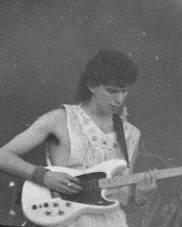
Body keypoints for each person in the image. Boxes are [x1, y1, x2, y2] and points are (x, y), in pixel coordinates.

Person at [0, 49, 156, 226]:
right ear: (91, 86)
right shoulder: (59, 119)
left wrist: (141, 193)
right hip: (65, 220)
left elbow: (123, 197)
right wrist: (43, 176)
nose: (120, 99)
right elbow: (3, 155)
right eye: (112, 91)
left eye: (124, 91)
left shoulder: (131, 133)